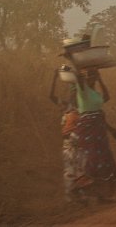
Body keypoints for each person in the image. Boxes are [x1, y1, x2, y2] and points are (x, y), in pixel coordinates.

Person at [70, 68, 116, 203]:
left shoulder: (95, 94)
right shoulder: (82, 92)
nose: (91, 78)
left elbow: (107, 97)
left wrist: (100, 79)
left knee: (103, 161)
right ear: (84, 78)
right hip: (88, 131)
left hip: (99, 131)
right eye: (89, 76)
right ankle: (86, 193)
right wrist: (75, 61)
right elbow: (78, 77)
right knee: (92, 161)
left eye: (93, 75)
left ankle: (102, 195)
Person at [49, 65, 81, 203]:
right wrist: (54, 77)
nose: (72, 95)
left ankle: (80, 195)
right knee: (70, 169)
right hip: (68, 142)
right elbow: (51, 96)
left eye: (74, 92)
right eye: (71, 92)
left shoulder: (81, 106)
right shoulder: (65, 106)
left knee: (79, 168)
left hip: (78, 141)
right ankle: (71, 197)